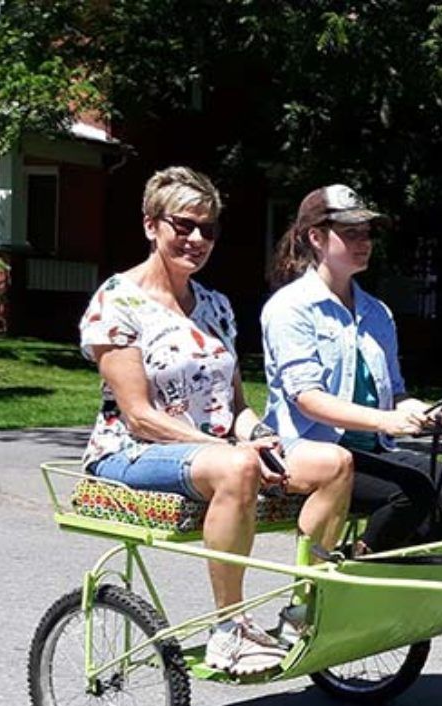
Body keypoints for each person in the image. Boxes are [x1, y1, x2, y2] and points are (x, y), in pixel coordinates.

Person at [79, 167, 354, 675]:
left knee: (334, 463)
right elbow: (139, 416)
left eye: (208, 229)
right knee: (236, 469)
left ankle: (303, 612)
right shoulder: (118, 302)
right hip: (129, 452)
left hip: (212, 450)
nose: (198, 239)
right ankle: (229, 628)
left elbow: (235, 406)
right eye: (184, 225)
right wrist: (233, 451)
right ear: (151, 226)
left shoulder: (215, 306)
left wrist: (259, 436)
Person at [261, 184, 442, 558]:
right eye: (351, 233)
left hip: (371, 451)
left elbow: (397, 394)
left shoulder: (378, 313)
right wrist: (384, 421)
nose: (364, 242)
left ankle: (378, 562)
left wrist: (428, 414)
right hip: (309, 452)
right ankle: (347, 572)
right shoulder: (291, 308)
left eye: (367, 233)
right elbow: (308, 400)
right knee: (411, 492)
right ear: (316, 237)